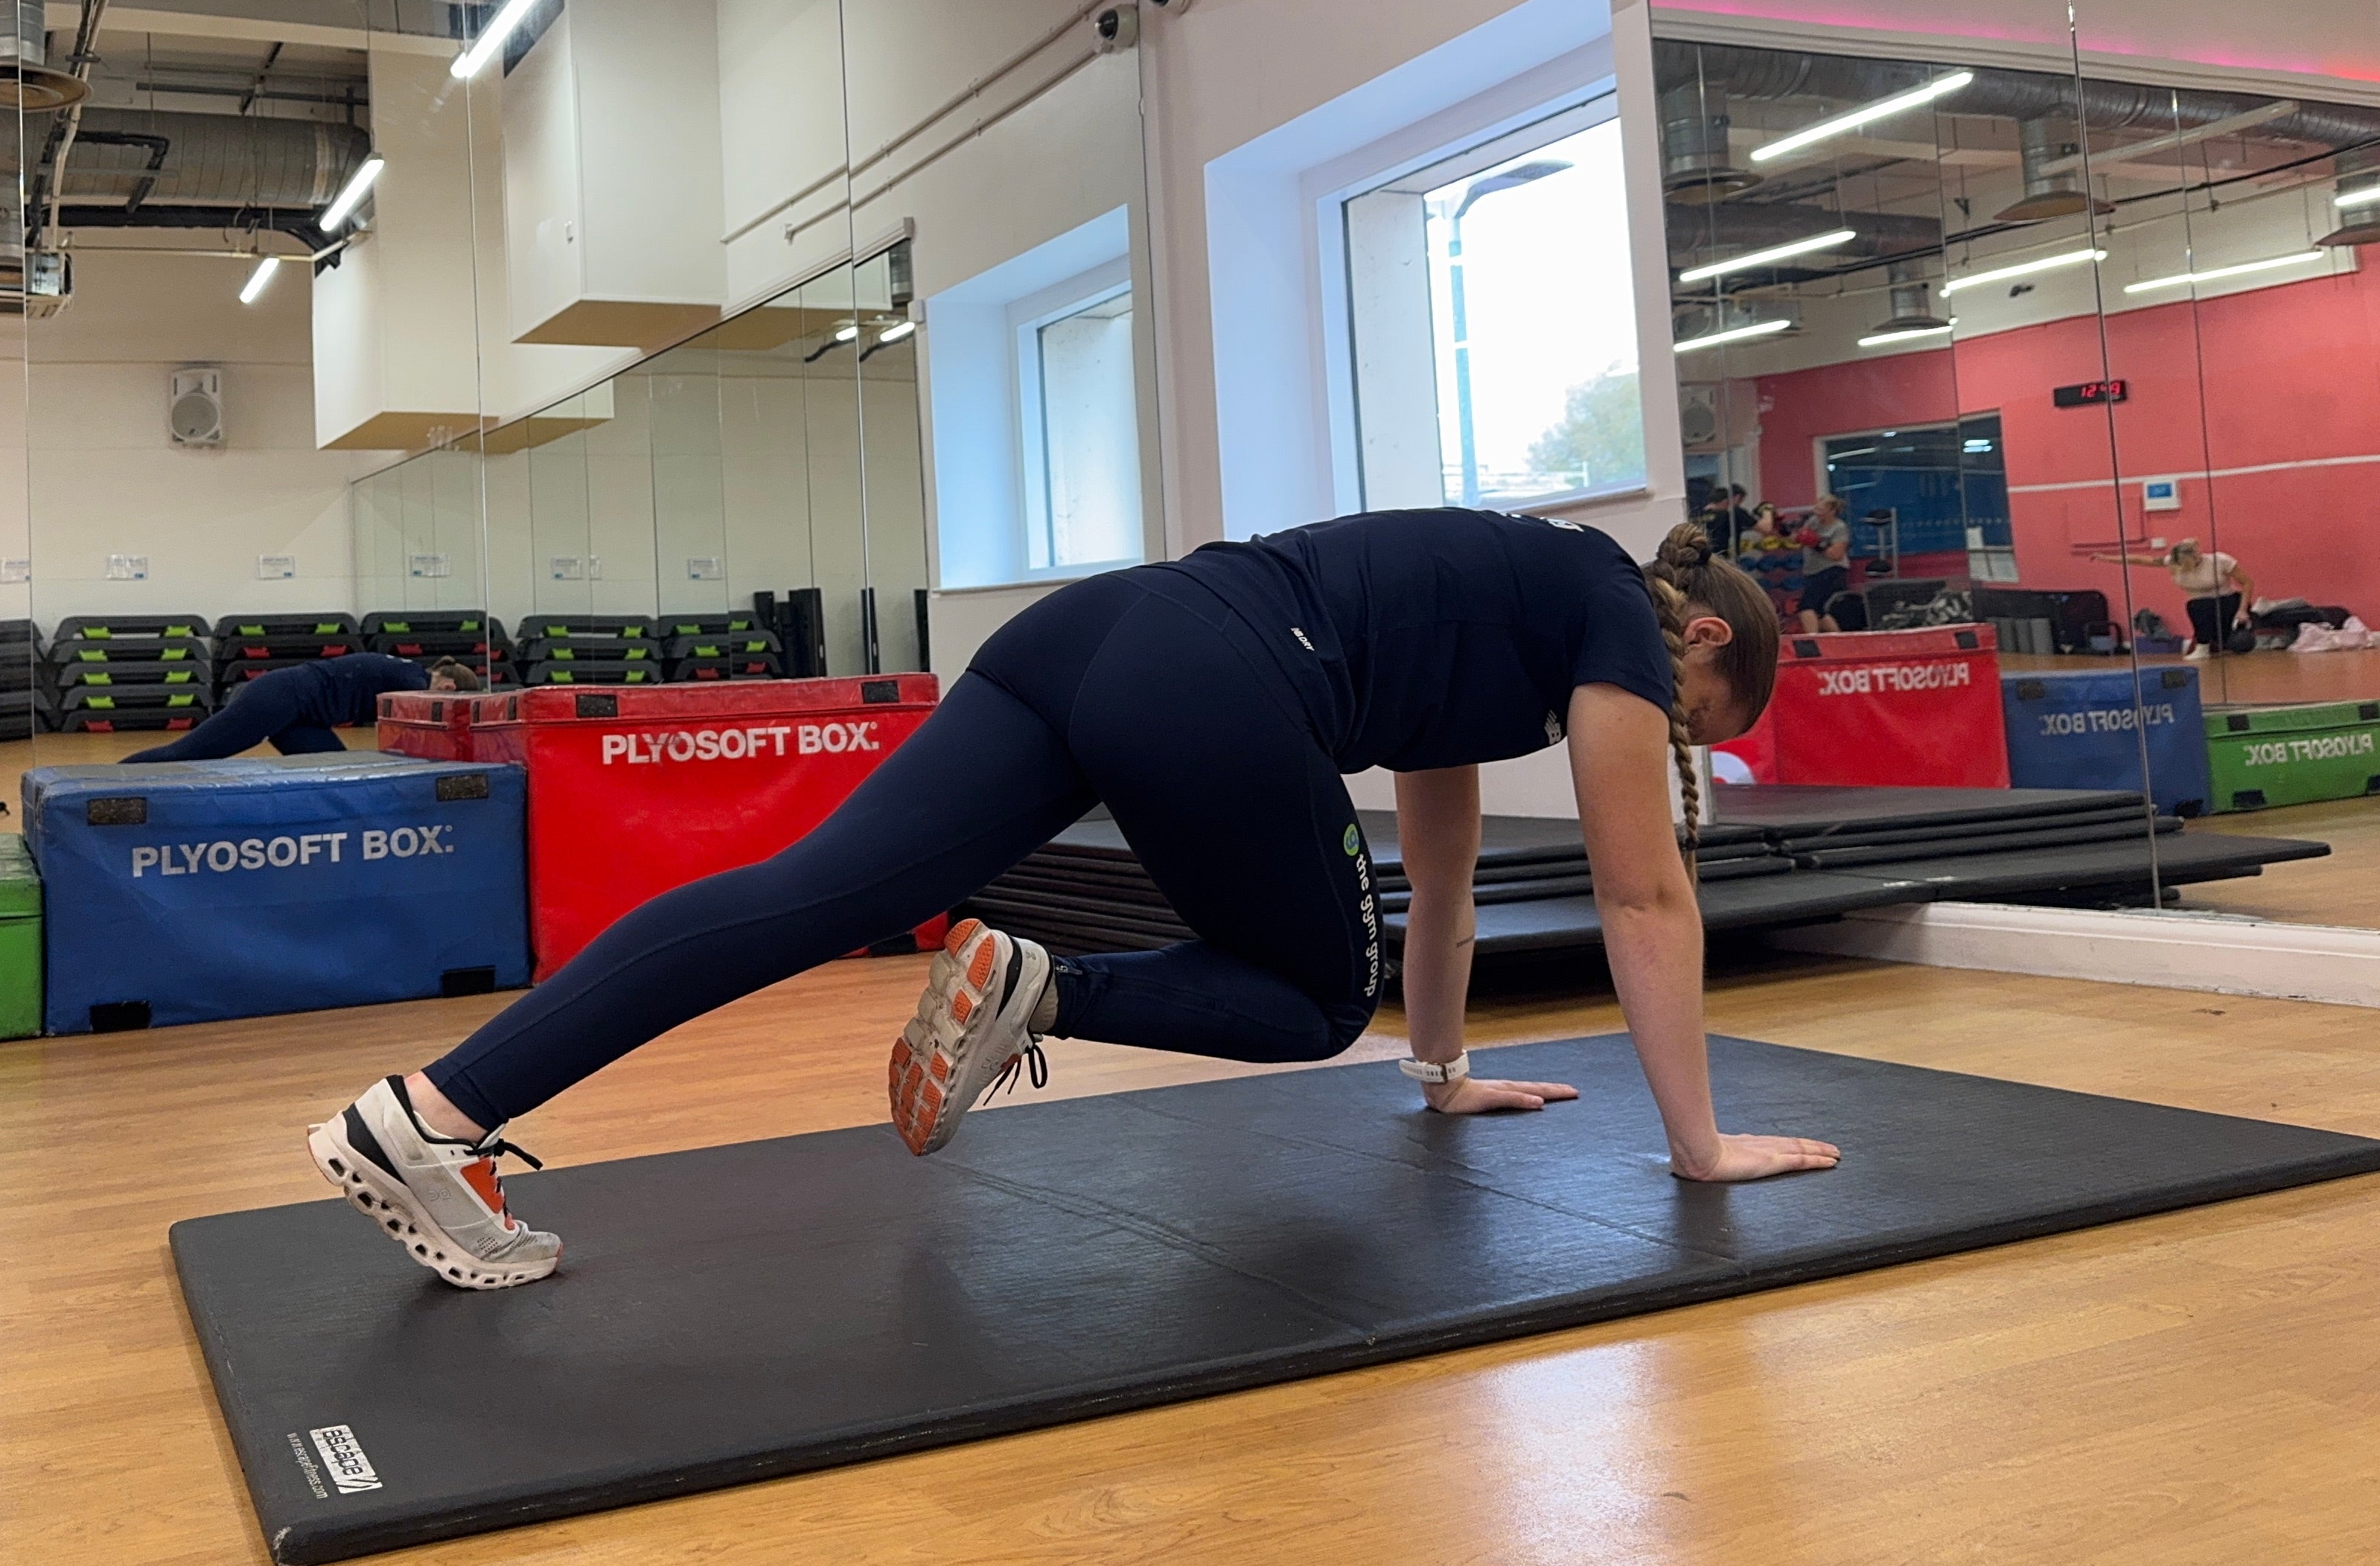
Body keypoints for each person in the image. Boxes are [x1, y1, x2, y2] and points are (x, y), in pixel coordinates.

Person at [303, 511, 1840, 1291]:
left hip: (1105, 626)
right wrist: (1697, 1149)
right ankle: (1036, 987)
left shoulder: (1518, 591)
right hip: (1225, 680)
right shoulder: (1613, 638)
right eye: (1698, 716)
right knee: (1311, 1000)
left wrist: (1440, 1074)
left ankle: (428, 1112)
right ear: (1697, 637)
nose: (1675, 741)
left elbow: (1438, 869)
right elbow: (1647, 894)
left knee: (804, 892)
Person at [122, 651, 479, 763]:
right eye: (452, 700)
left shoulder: (409, 673)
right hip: (279, 698)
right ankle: (109, 785)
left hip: (303, 715)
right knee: (187, 754)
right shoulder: (413, 684)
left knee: (335, 769)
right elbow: (413, 735)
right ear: (447, 687)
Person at [2101, 537, 2254, 653]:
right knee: (2196, 605)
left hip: (2227, 601)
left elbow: (2247, 583)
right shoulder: (2173, 562)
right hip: (2200, 606)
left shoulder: (2220, 561)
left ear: (2196, 557)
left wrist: (2242, 610)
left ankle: (2218, 641)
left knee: (2233, 641)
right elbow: (2141, 560)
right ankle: (2203, 645)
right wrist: (2108, 558)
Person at [1794, 495, 1854, 633]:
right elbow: (1797, 540)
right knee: (1821, 613)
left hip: (1831, 572)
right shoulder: (1813, 521)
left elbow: (1836, 555)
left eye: (1821, 509)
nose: (1817, 512)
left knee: (1806, 608)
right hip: (1812, 572)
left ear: (1832, 511)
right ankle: (1839, 643)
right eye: (1816, 508)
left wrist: (1817, 543)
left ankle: (1813, 642)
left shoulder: (1839, 527)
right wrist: (1785, 530)